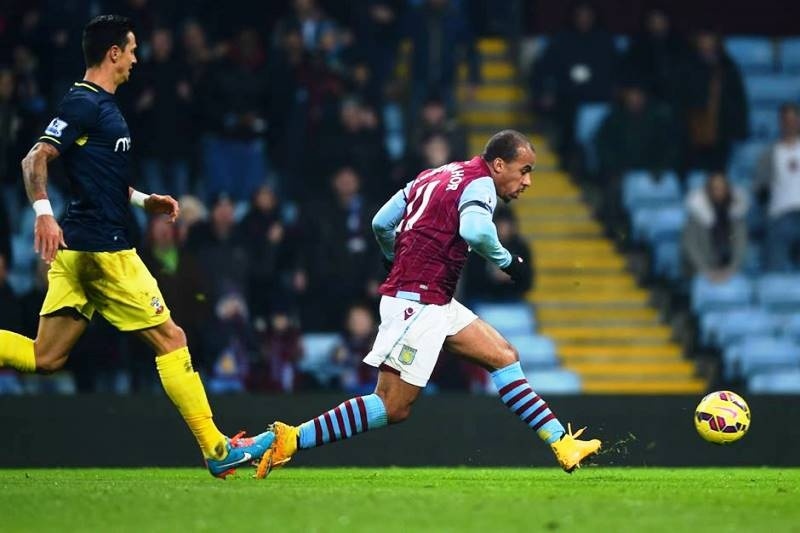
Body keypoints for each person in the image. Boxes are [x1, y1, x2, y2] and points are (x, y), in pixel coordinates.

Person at [0, 15, 272, 477]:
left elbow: (100, 176)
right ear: (112, 53)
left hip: (78, 251)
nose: (135, 58)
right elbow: (34, 159)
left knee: (44, 357)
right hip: (104, 252)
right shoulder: (84, 103)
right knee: (172, 339)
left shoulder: (100, 107)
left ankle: (217, 449)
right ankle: (217, 450)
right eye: (130, 49)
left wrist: (145, 200)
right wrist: (43, 213)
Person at [255, 130, 600, 479]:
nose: (527, 181)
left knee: (503, 356)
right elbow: (477, 231)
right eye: (524, 170)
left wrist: (395, 257)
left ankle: (562, 442)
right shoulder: (480, 185)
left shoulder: (437, 173)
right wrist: (509, 262)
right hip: (417, 304)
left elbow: (381, 222)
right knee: (392, 406)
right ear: (498, 165)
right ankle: (291, 439)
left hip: (433, 299)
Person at [756, 103, 800, 271]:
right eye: (785, 120)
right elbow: (759, 190)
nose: (789, 124)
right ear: (780, 123)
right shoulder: (768, 154)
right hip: (780, 216)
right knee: (775, 264)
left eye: (793, 119)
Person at [682, 171, 748, 281]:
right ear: (708, 190)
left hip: (728, 266)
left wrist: (732, 269)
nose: (719, 192)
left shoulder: (736, 213)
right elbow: (691, 246)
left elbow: (741, 244)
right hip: (701, 268)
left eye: (722, 188)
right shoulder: (696, 214)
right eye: (715, 188)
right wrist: (706, 271)